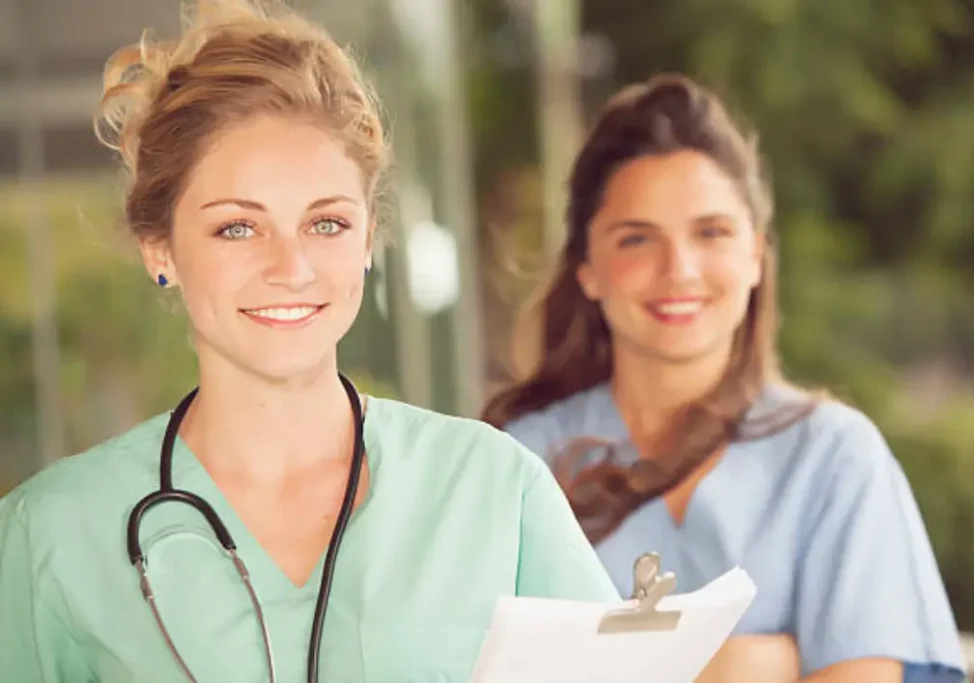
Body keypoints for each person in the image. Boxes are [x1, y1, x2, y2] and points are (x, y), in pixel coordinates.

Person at [0, 1, 619, 681]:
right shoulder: (49, 536)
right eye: (237, 227)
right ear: (161, 249)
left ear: (367, 242)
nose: (291, 268)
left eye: (325, 224)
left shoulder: (494, 491)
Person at [483, 74, 967, 683]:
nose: (678, 270)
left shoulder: (833, 459)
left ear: (756, 255)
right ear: (587, 270)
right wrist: (750, 664)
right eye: (636, 239)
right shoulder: (511, 465)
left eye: (711, 232)